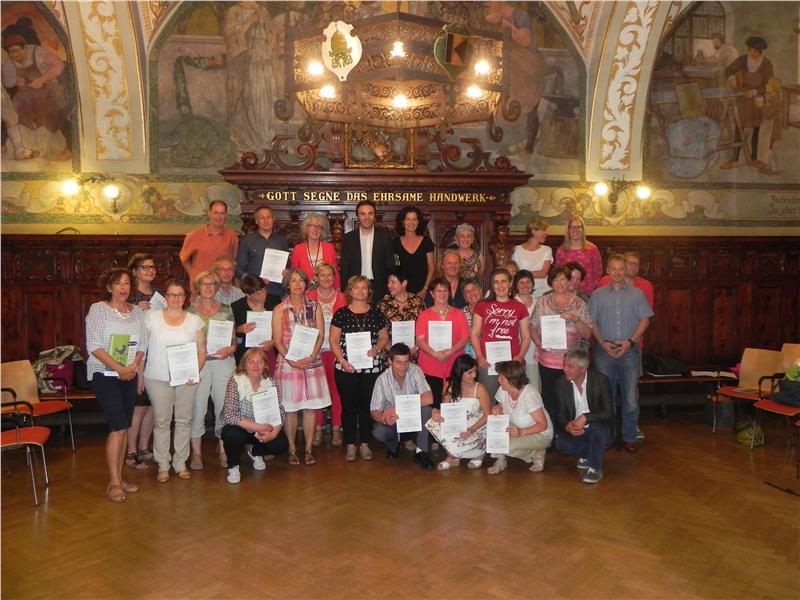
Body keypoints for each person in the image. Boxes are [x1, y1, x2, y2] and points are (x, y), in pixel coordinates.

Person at [85, 268, 147, 503]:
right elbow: (94, 345)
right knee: (118, 427)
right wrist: (118, 368)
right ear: (109, 287)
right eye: (118, 283)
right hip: (104, 373)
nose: (123, 287)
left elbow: (142, 345)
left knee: (123, 427)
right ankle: (113, 483)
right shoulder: (98, 309)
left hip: (128, 374)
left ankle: (119, 479)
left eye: (127, 283)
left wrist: (132, 368)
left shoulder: (137, 313)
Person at [143, 279, 206, 483]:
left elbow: (202, 351)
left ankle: (180, 463)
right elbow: (142, 349)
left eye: (180, 294)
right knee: (161, 421)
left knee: (183, 421)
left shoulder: (194, 320)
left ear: (185, 297)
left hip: (186, 380)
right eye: (171, 294)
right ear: (166, 297)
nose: (176, 298)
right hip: (157, 377)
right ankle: (163, 464)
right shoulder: (151, 317)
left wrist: (194, 372)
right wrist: (139, 374)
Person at [588, 254, 653, 453]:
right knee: (605, 398)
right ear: (608, 270)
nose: (617, 273)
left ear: (626, 271)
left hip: (629, 352)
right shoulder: (598, 295)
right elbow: (592, 322)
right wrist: (602, 342)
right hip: (604, 352)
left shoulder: (637, 294)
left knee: (630, 398)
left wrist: (630, 342)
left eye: (621, 269)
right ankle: (606, 436)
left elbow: (645, 320)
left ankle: (630, 436)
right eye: (613, 269)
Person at [272, 269, 330, 466]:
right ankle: (291, 449)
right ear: (287, 285)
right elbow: (277, 340)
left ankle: (308, 449)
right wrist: (291, 360)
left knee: (310, 409)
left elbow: (320, 334)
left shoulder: (315, 306)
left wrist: (312, 356)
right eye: (293, 281)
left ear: (306, 284)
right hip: (288, 363)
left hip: (311, 361)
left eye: (301, 281)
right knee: (290, 409)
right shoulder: (279, 309)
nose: (297, 284)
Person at [329, 276, 390, 462]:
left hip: (371, 369)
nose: (361, 291)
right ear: (349, 291)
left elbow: (384, 337)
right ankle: (350, 445)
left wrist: (376, 349)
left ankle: (364, 444)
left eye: (364, 287)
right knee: (348, 407)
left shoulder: (377, 313)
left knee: (366, 407)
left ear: (369, 292)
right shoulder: (341, 314)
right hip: (345, 368)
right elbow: (333, 340)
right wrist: (342, 360)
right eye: (356, 287)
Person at [187, 271, 237, 470]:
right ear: (197, 288)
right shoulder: (189, 312)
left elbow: (233, 341)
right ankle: (196, 454)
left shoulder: (226, 309)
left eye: (212, 284)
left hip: (223, 363)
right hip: (198, 364)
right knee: (197, 408)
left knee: (223, 408)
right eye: (204, 284)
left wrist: (230, 349)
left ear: (217, 288)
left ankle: (223, 450)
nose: (208, 288)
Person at [531, 266, 593, 421]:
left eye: (563, 279)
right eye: (555, 279)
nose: (559, 283)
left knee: (569, 398)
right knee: (549, 396)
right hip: (547, 360)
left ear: (569, 281)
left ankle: (569, 430)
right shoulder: (542, 301)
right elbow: (532, 327)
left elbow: (587, 334)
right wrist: (539, 343)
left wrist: (575, 319)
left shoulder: (579, 304)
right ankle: (552, 431)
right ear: (551, 282)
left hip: (571, 361)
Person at [218, 349, 289, 484]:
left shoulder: (271, 383)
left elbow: (280, 411)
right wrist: (260, 427)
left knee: (281, 444)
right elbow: (230, 415)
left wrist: (273, 433)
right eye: (251, 362)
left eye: (260, 362)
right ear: (244, 364)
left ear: (265, 365)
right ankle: (233, 466)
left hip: (261, 429)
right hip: (240, 427)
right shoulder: (235, 382)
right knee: (232, 434)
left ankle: (254, 451)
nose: (256, 366)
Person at [1, 33, 72, 161]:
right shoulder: (9, 62)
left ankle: (71, 146)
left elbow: (59, 66)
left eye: (17, 51)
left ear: (24, 47)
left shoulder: (37, 53)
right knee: (12, 111)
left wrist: (41, 80)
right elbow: (7, 81)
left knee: (56, 112)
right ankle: (9, 146)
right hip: (26, 94)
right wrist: (16, 81)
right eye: (11, 52)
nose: (14, 55)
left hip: (48, 90)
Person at [370, 343, 435, 470]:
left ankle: (421, 452)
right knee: (379, 431)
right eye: (399, 362)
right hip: (395, 422)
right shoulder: (381, 380)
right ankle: (394, 445)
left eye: (406, 362)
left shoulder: (415, 370)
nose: (403, 367)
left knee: (427, 410)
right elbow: (374, 411)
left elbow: (429, 398)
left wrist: (400, 408)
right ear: (390, 361)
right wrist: (384, 418)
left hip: (414, 419)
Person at [553, 349, 613, 484]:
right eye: (564, 365)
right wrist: (567, 426)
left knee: (596, 429)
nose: (565, 369)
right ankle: (586, 455)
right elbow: (561, 413)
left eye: (570, 366)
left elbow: (608, 413)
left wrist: (586, 417)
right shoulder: (561, 382)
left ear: (583, 368)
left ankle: (595, 468)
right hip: (577, 430)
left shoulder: (600, 380)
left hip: (598, 427)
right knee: (561, 444)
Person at [224, 1, 277, 153]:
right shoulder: (235, 10)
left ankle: (265, 135)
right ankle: (252, 137)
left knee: (266, 97)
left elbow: (272, 33)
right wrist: (250, 22)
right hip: (247, 59)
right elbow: (231, 35)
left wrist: (270, 38)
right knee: (251, 97)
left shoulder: (263, 10)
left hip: (263, 58)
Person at [470, 268, 531, 399]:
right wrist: (479, 356)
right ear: (492, 285)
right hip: (487, 362)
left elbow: (526, 336)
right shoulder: (482, 305)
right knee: (489, 400)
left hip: (513, 362)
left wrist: (520, 356)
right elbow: (474, 334)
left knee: (514, 400)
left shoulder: (520, 307)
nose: (500, 285)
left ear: (510, 283)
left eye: (503, 281)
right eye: (496, 282)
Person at [124, 253, 159, 470]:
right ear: (135, 271)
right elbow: (123, 324)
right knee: (138, 408)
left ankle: (145, 448)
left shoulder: (158, 295)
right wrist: (139, 310)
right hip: (136, 355)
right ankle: (131, 451)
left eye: (152, 267)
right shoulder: (129, 296)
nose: (150, 270)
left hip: (157, 354)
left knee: (153, 406)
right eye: (145, 267)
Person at [306, 262, 347, 447]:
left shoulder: (342, 297)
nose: (326, 278)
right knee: (317, 390)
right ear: (316, 277)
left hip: (336, 350)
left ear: (334, 277)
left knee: (337, 389)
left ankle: (337, 427)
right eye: (322, 275)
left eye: (330, 275)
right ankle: (318, 427)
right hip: (315, 350)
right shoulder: (309, 296)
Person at [487, 360, 553, 475]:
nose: (498, 380)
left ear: (512, 380)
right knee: (494, 433)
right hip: (517, 426)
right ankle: (501, 460)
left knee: (506, 446)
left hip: (540, 433)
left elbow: (543, 425)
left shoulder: (530, 395)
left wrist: (521, 432)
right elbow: (501, 405)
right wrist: (497, 408)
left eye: (501, 378)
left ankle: (537, 452)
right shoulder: (503, 389)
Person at [427, 355, 491, 470]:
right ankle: (453, 455)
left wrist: (471, 430)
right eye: (470, 372)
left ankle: (476, 453)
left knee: (458, 443)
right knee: (433, 422)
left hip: (476, 428)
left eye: (475, 371)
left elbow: (488, 415)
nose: (474, 375)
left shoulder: (480, 388)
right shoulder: (450, 385)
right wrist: (437, 411)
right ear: (460, 372)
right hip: (457, 425)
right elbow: (445, 410)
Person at [415, 277, 471, 407]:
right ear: (432, 293)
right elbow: (419, 340)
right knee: (433, 406)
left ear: (449, 293)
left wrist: (451, 351)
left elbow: (465, 338)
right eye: (438, 291)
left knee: (454, 405)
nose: (442, 294)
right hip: (430, 366)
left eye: (445, 290)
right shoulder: (424, 315)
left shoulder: (459, 314)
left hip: (454, 364)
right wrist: (434, 354)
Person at [722, 36, 774, 170]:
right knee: (740, 127)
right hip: (743, 98)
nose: (752, 53)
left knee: (756, 128)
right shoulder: (743, 60)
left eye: (755, 51)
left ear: (760, 51)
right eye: (750, 50)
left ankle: (754, 158)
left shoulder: (766, 64)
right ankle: (734, 159)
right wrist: (731, 77)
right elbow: (728, 71)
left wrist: (755, 91)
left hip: (757, 100)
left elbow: (768, 85)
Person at [340, 200, 395, 302]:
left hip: (380, 288)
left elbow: (390, 265)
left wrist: (389, 290)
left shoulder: (384, 237)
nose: (367, 217)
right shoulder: (349, 238)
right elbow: (345, 267)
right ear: (358, 216)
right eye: (363, 214)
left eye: (370, 213)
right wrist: (345, 290)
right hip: (356, 288)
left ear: (374, 216)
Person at [179, 200, 239, 286]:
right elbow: (184, 258)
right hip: (201, 286)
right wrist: (193, 275)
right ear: (209, 213)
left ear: (226, 215)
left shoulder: (232, 235)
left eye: (222, 213)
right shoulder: (194, 235)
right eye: (216, 213)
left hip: (223, 286)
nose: (219, 217)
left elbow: (233, 260)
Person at [236, 205, 290, 298]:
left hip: (277, 291)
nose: (266, 221)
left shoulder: (282, 241)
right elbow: (239, 269)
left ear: (273, 219)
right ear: (256, 221)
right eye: (262, 218)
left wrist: (287, 272)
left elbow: (288, 266)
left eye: (268, 217)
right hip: (254, 292)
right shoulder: (247, 241)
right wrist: (252, 280)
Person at [230, 274, 281, 365]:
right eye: (258, 293)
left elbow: (284, 326)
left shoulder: (274, 301)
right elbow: (231, 331)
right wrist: (239, 329)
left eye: (264, 290)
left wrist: (274, 342)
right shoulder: (237, 306)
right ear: (248, 295)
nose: (264, 295)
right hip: (247, 353)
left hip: (271, 351)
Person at [379, 267, 425, 358]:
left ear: (404, 283)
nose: (389, 285)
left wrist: (416, 348)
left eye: (393, 282)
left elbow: (424, 329)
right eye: (388, 282)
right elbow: (379, 332)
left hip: (413, 354)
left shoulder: (417, 302)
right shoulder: (383, 304)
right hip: (391, 356)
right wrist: (393, 352)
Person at [393, 206, 435, 299]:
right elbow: (396, 268)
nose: (411, 223)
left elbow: (431, 268)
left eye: (414, 219)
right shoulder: (395, 244)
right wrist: (401, 290)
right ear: (403, 222)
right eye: (408, 219)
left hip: (423, 291)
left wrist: (425, 289)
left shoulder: (426, 242)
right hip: (403, 292)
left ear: (418, 222)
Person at [554, 216, 603, 296]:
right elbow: (559, 274)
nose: (575, 230)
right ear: (568, 230)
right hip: (567, 293)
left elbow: (598, 273)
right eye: (572, 227)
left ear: (583, 229)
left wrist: (592, 290)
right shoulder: (561, 250)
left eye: (578, 227)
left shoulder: (592, 249)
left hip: (588, 293)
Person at [290, 212, 340, 289]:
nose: (315, 229)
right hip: (304, 291)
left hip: (326, 291)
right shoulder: (298, 249)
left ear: (322, 230)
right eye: (312, 226)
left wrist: (338, 291)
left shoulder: (329, 248)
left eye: (319, 227)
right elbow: (294, 274)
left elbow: (335, 273)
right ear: (306, 228)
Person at [511, 269, 540, 392]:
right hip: (518, 352)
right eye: (521, 282)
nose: (525, 285)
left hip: (537, 351)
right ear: (516, 286)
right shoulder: (511, 303)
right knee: (518, 388)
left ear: (533, 284)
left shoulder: (540, 302)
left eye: (528, 282)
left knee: (535, 387)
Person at [512, 218, 552, 298]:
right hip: (523, 291)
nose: (546, 233)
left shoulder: (547, 250)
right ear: (534, 231)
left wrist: (523, 274)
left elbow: (543, 273)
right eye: (543, 230)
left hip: (543, 292)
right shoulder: (517, 249)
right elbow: (514, 273)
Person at [460, 278, 483, 359]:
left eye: (474, 289)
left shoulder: (491, 309)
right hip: (468, 355)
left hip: (489, 351)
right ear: (465, 297)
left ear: (480, 291)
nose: (472, 293)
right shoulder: (461, 314)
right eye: (468, 292)